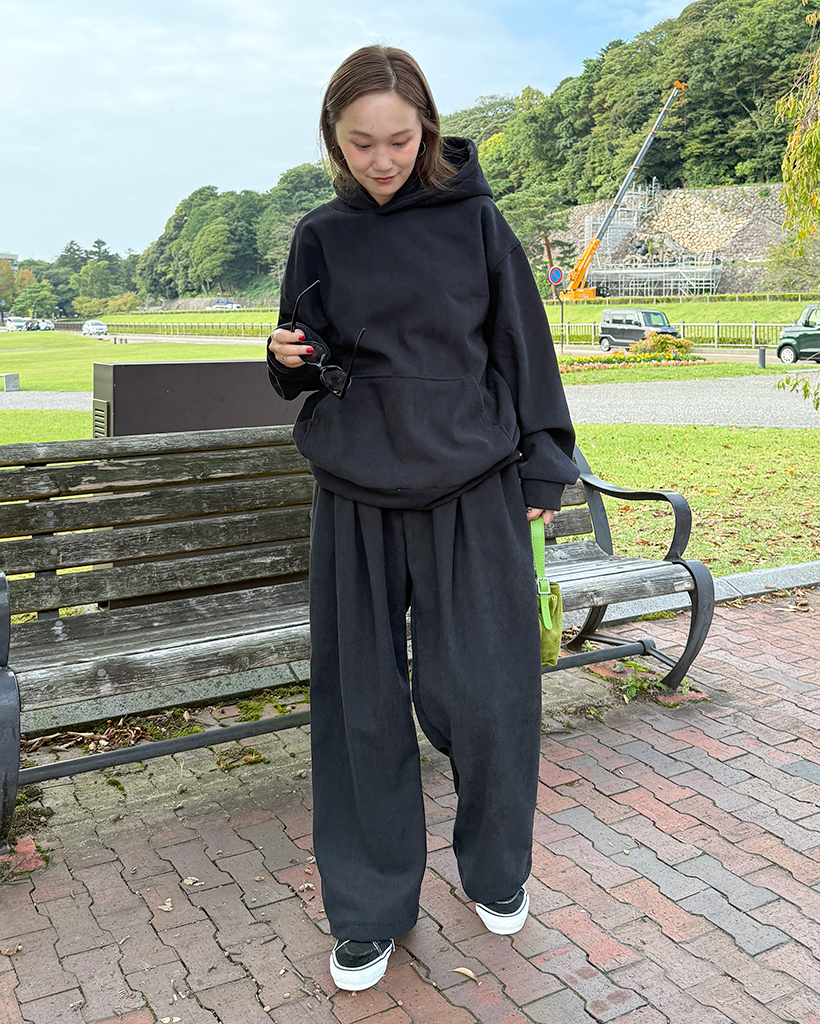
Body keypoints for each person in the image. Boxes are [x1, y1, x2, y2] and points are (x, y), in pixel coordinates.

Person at [267, 44, 578, 992]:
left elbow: (523, 346)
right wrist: (286, 360)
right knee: (359, 708)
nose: (382, 159)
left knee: (488, 698)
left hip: (471, 485)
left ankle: (496, 868)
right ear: (333, 140)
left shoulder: (478, 222)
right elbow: (307, 358)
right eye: (360, 143)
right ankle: (369, 908)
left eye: (399, 140)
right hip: (355, 491)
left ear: (427, 130)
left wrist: (546, 462)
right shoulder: (320, 235)